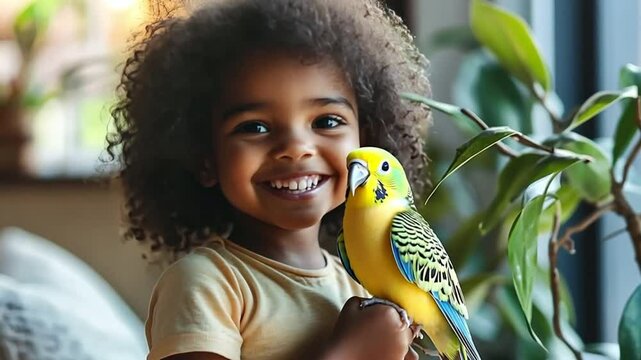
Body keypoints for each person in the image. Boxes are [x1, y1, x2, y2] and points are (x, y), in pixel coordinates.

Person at [106, 0, 430, 359]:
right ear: (205, 158)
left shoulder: (360, 281)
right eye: (255, 127)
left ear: (364, 144)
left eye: (326, 121)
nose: (296, 148)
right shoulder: (207, 285)